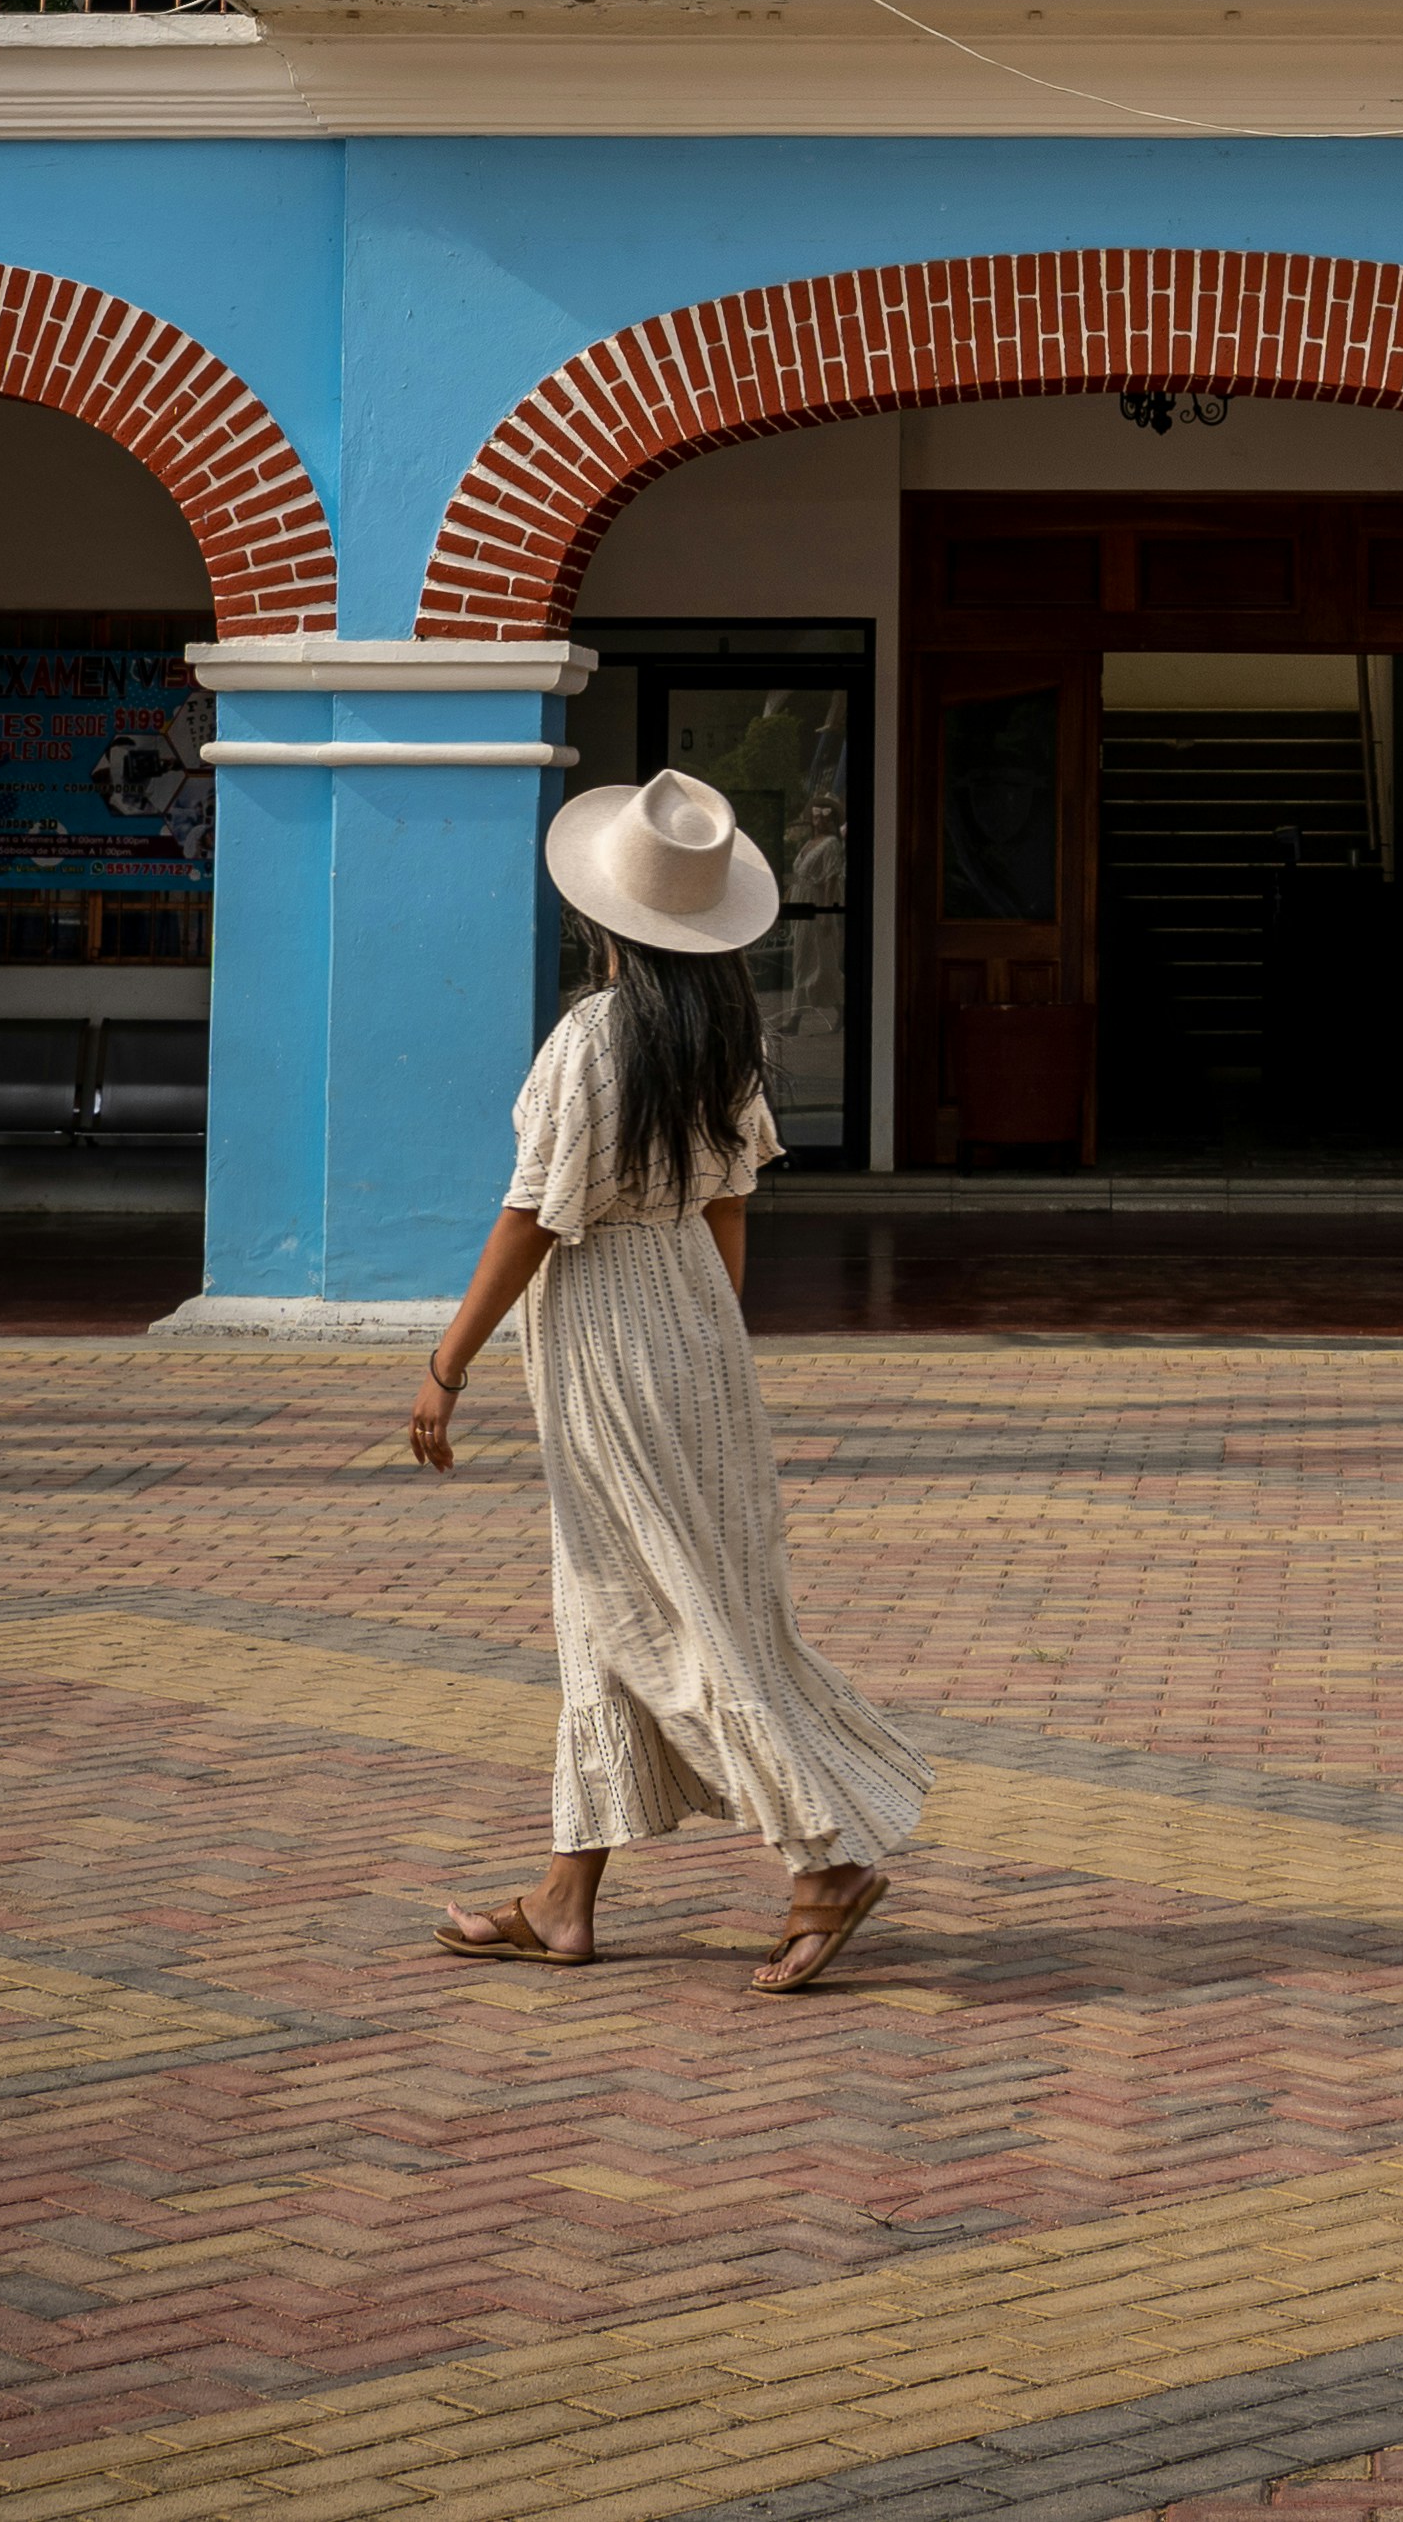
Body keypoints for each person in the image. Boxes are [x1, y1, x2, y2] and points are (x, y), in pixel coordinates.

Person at [409, 764, 927, 1994]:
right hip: (696, 1323)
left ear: (604, 919)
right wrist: (706, 1339)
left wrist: (447, 1364)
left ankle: (823, 1852)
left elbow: (534, 1213)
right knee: (621, 1607)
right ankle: (563, 1899)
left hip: (604, 1327)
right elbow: (730, 1209)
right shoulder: (726, 1040)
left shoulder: (593, 1035)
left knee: (667, 1618)